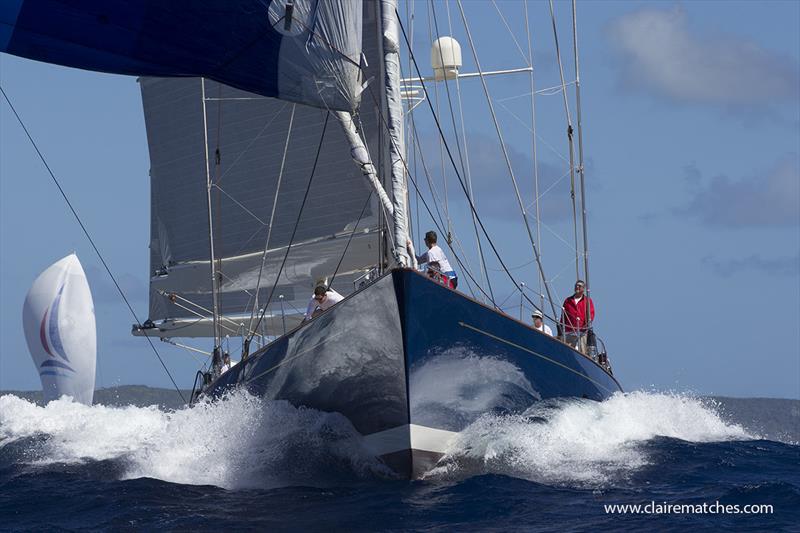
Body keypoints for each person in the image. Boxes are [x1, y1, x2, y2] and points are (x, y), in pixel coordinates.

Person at [560, 280, 594, 354]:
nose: (577, 287)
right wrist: (561, 328)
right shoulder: (568, 300)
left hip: (582, 331)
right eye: (576, 285)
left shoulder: (587, 301)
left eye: (579, 286)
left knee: (582, 352)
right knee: (566, 352)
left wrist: (586, 325)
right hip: (569, 330)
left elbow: (591, 314)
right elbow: (563, 315)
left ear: (583, 288)